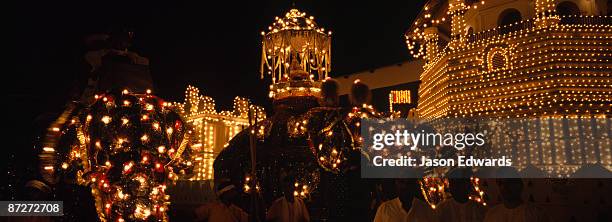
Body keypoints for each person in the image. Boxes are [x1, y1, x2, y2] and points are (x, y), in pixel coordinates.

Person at [483, 167, 549, 222]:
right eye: (500, 183)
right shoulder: (492, 214)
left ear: (519, 185)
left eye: (509, 182)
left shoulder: (535, 214)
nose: (504, 187)